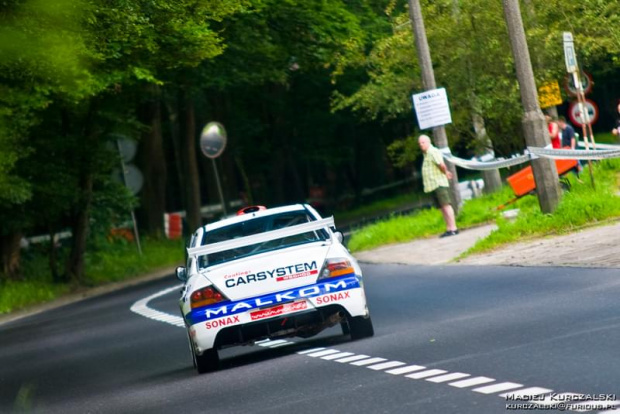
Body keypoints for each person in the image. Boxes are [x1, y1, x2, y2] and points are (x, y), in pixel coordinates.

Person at [418, 134, 458, 238]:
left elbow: (441, 164)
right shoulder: (426, 154)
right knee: (441, 207)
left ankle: (453, 228)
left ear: (428, 142)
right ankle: (449, 228)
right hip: (432, 185)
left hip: (438, 183)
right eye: (419, 143)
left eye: (423, 142)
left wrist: (446, 172)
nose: (421, 145)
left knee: (446, 205)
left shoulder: (432, 151)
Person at [557, 116, 583, 183]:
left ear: (561, 122)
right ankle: (577, 177)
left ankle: (582, 174)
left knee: (577, 162)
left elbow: (572, 138)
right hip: (567, 149)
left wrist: (572, 148)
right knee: (572, 164)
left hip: (571, 149)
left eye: (558, 122)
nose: (557, 124)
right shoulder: (563, 131)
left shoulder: (569, 129)